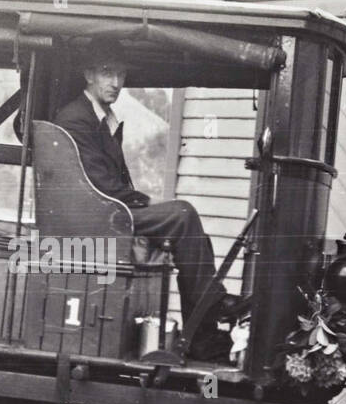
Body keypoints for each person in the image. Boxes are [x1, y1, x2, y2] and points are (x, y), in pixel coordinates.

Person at [51, 38, 241, 360]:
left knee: (197, 236)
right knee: (182, 215)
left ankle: (204, 331)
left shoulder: (101, 117)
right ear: (88, 74)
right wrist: (146, 202)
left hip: (108, 211)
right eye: (108, 73)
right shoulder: (76, 119)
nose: (116, 83)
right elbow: (102, 186)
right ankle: (211, 314)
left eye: (121, 75)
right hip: (98, 215)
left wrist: (143, 202)